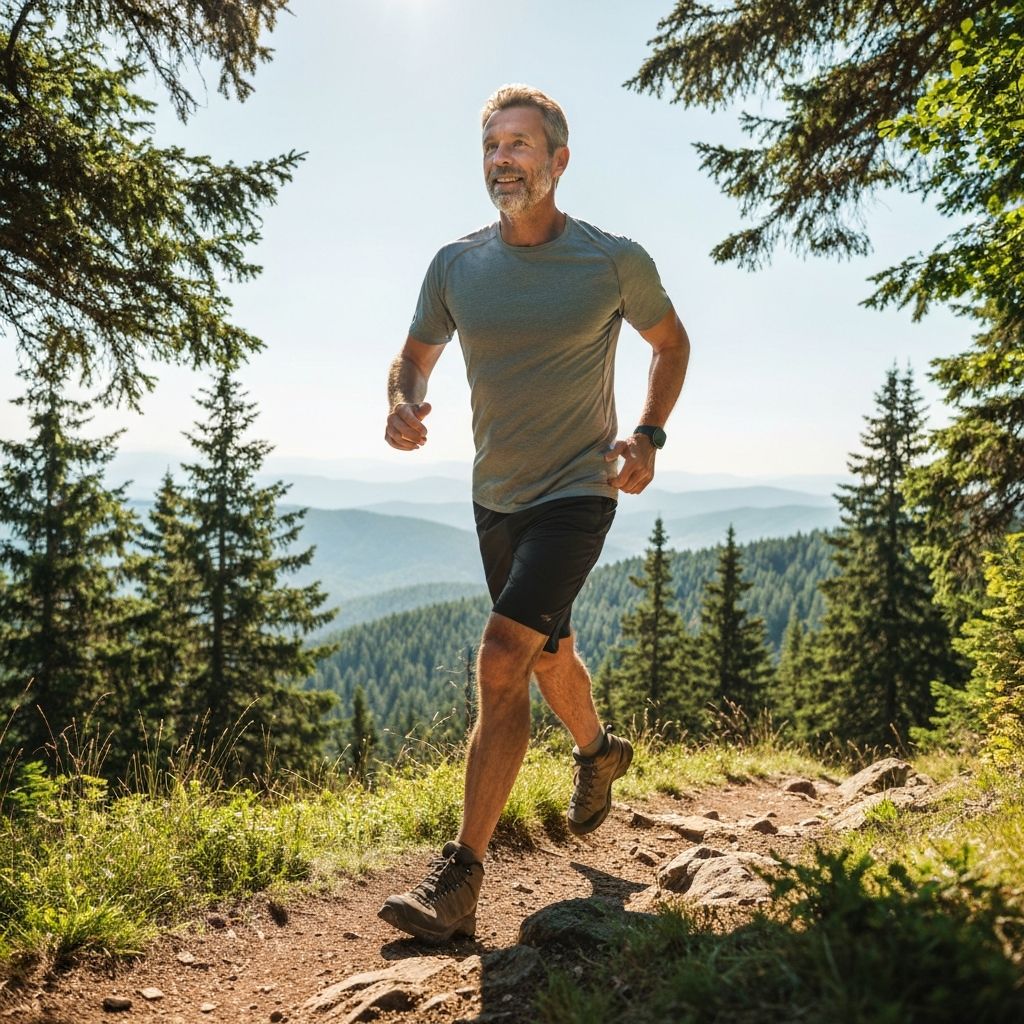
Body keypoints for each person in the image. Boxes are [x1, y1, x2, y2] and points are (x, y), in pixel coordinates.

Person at [379, 84, 690, 943]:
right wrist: (403, 402)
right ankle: (599, 754)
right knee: (550, 652)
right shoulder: (456, 265)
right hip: (496, 496)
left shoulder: (612, 260)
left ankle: (459, 878)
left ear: (558, 160)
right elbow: (411, 358)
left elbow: (671, 343)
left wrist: (649, 436)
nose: (503, 159)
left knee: (501, 656)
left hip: (578, 491)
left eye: (520, 145)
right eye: (491, 147)